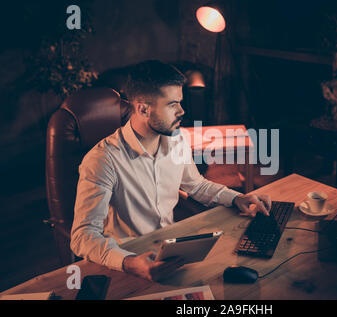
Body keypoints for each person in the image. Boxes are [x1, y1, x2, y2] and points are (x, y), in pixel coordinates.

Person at [70, 60, 272, 281]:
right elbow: (83, 236)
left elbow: (196, 185)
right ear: (143, 109)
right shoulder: (102, 160)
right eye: (172, 104)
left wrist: (237, 198)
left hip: (171, 251)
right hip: (127, 261)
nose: (182, 111)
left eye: (181, 102)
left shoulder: (177, 140)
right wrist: (129, 263)